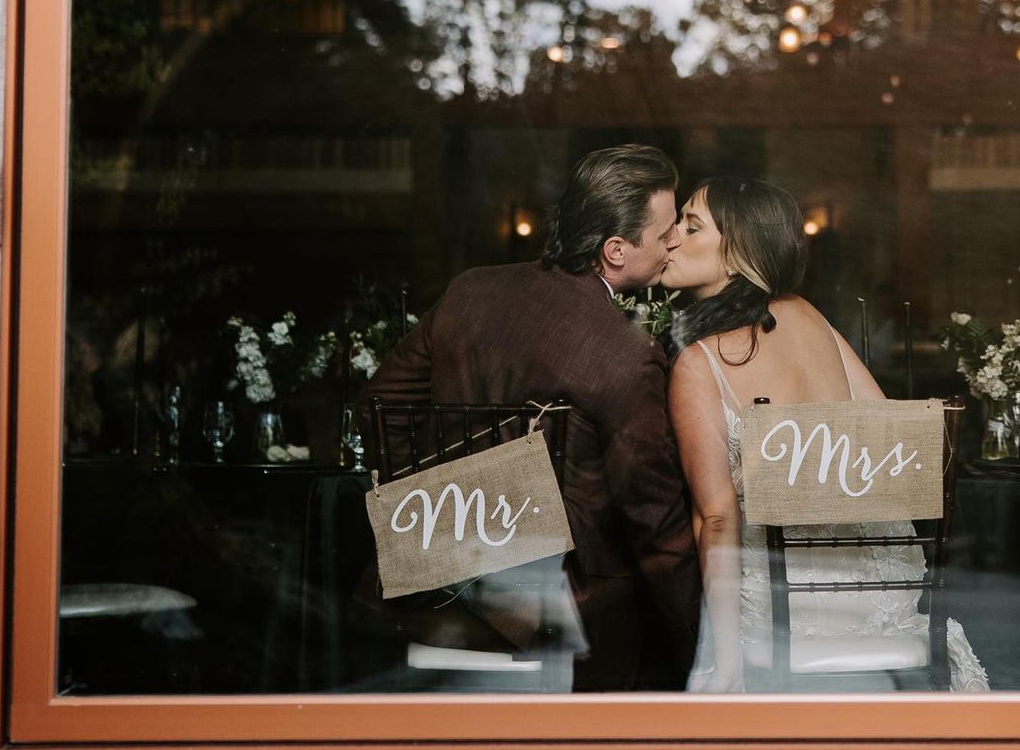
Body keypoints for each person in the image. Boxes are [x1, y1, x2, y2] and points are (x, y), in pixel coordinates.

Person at [362, 144, 701, 691]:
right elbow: (650, 510)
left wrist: (440, 511)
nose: (676, 242)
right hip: (562, 610)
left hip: (442, 588)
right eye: (665, 235)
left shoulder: (471, 289)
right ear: (616, 250)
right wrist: (698, 640)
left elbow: (381, 404)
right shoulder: (622, 353)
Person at [660, 176, 988, 692]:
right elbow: (886, 435)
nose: (671, 236)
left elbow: (718, 519)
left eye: (690, 225)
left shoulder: (699, 363)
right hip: (876, 593)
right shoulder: (811, 318)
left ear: (738, 254)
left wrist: (725, 661)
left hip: (778, 605)